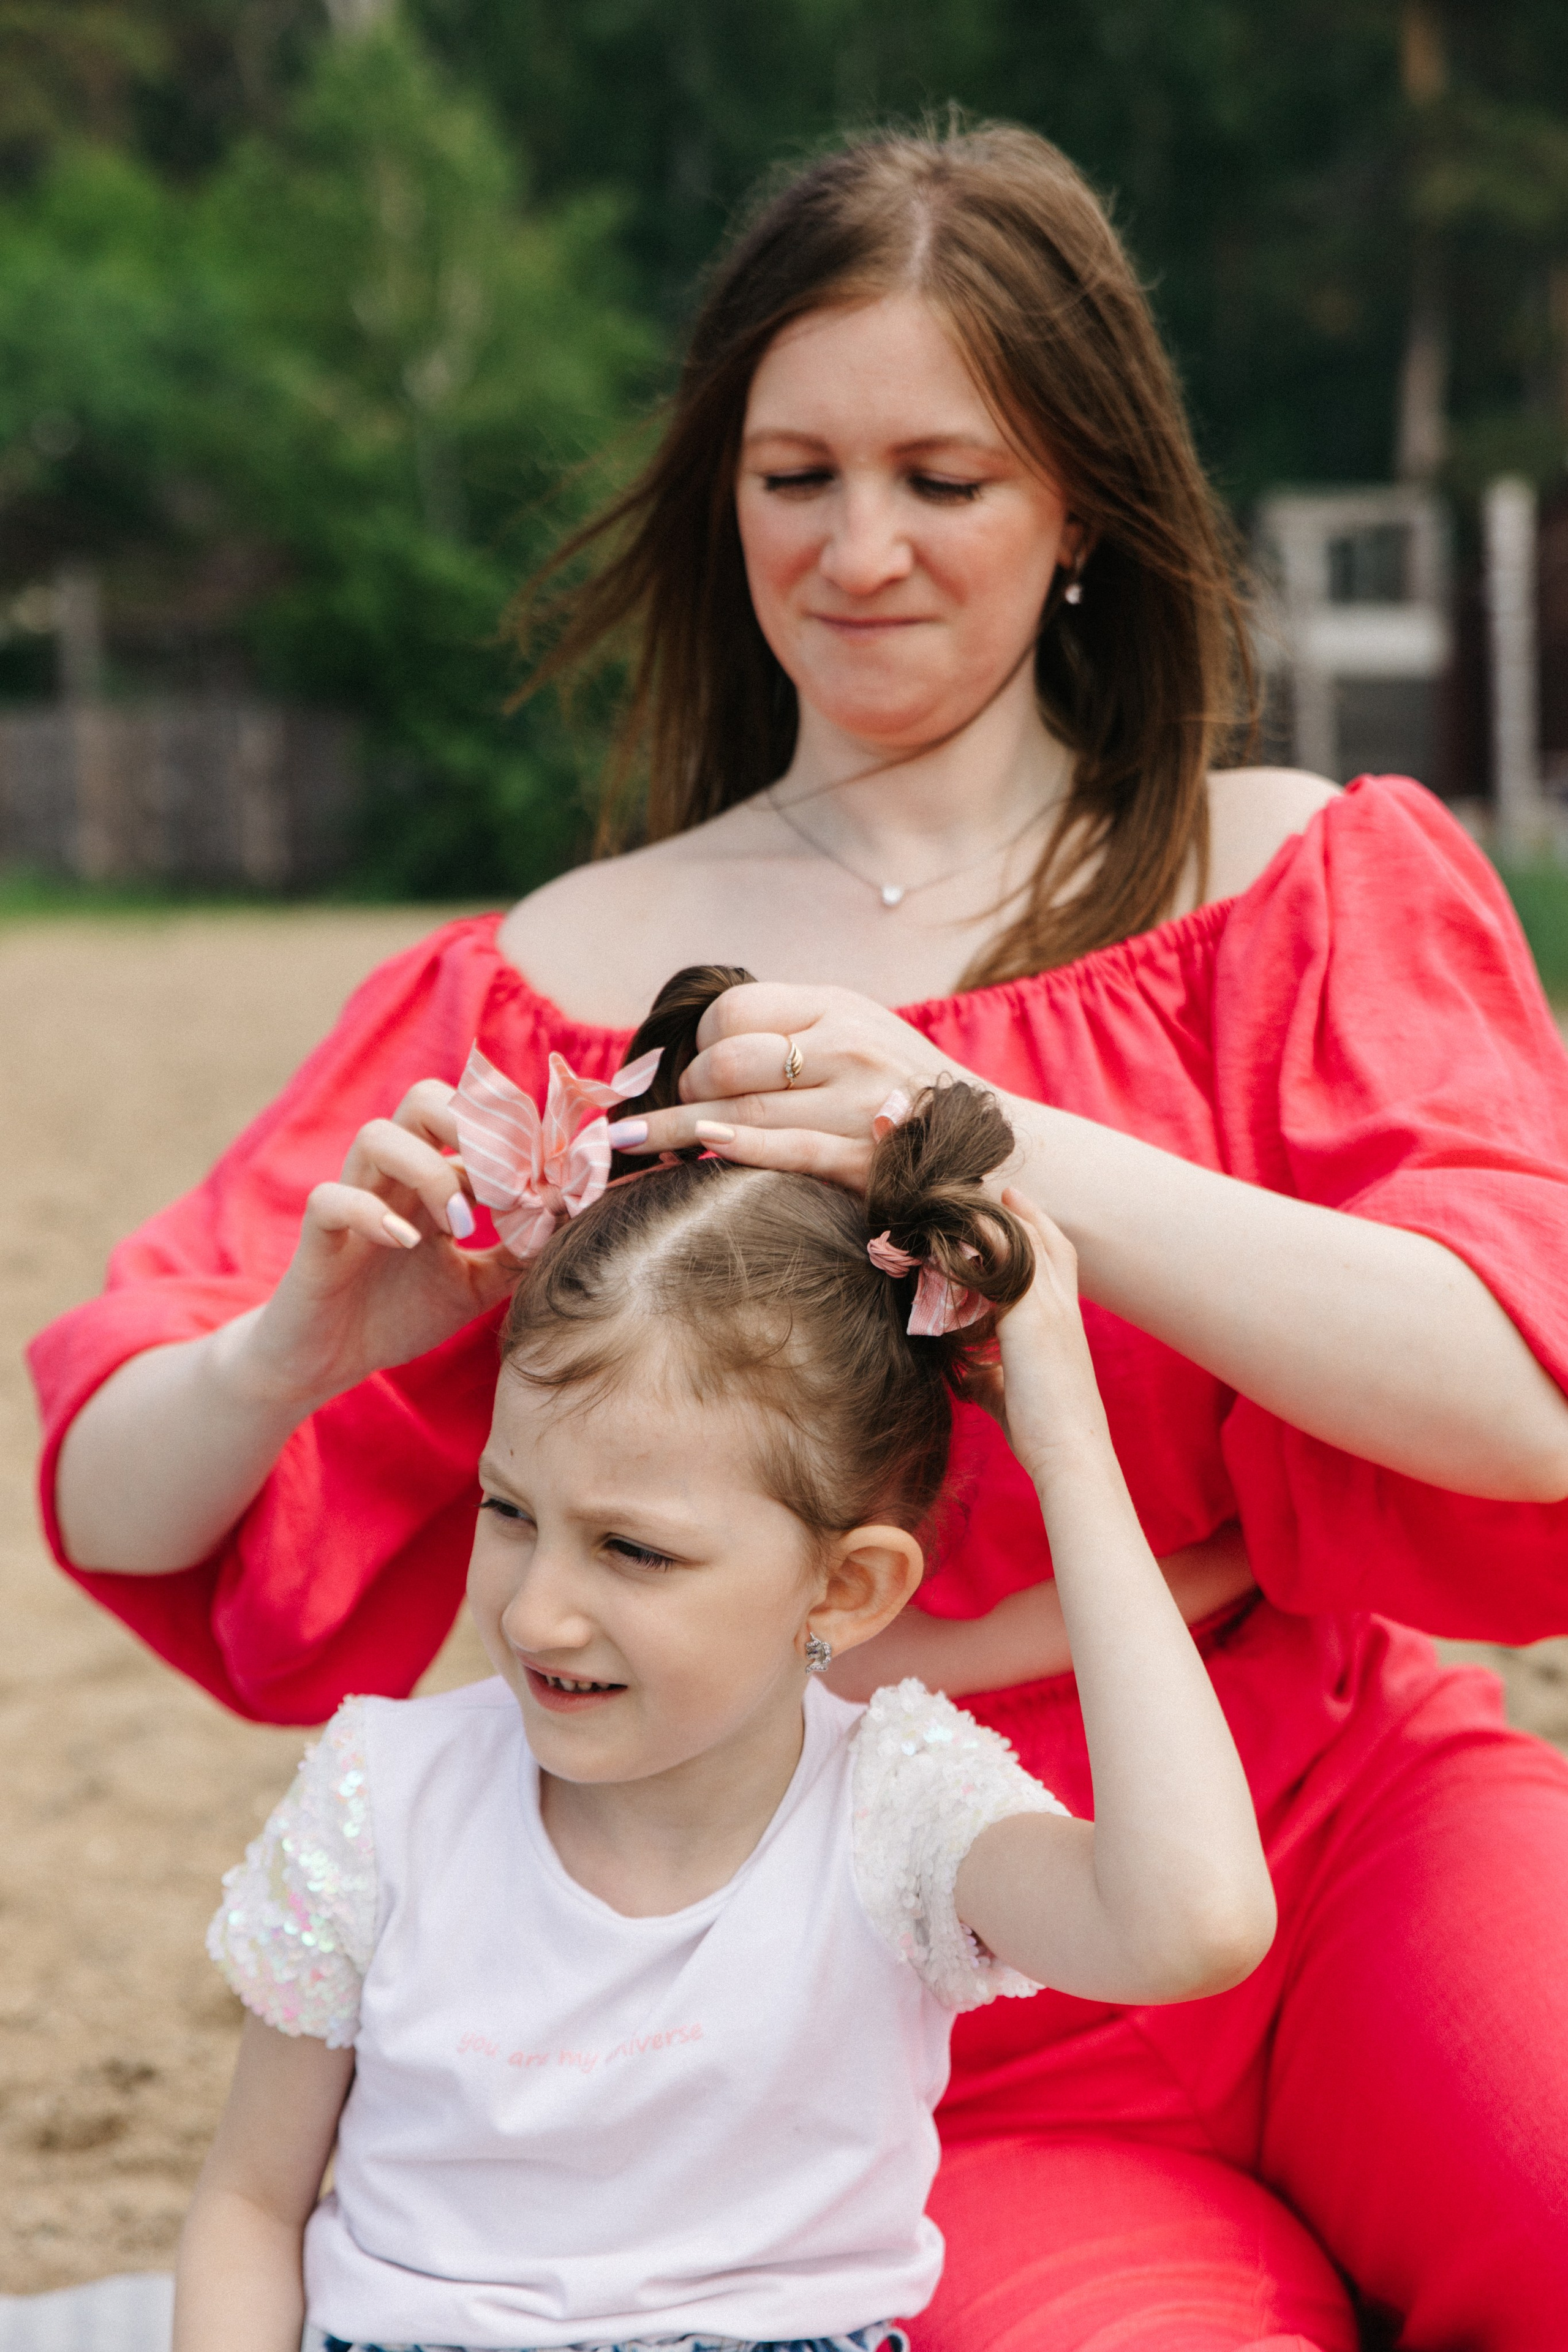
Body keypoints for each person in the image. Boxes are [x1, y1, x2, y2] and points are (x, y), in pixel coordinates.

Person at [29, 123, 1568, 2348]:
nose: (860, 551)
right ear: (716, 497)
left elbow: (1525, 1399)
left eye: (944, 478)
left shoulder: (1296, 870)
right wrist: (285, 1352)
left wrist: (987, 1132)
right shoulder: (557, 976)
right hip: (904, 1948)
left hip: (1350, 1818)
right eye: (794, 475)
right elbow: (118, 1490)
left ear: (1085, 511)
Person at [171, 988, 1279, 2352]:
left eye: (633, 1552)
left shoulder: (896, 1816)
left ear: (845, 1587)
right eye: (509, 1513)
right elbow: (247, 2206)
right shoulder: (382, 1799)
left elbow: (1191, 1925)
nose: (540, 1614)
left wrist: (1069, 1453)